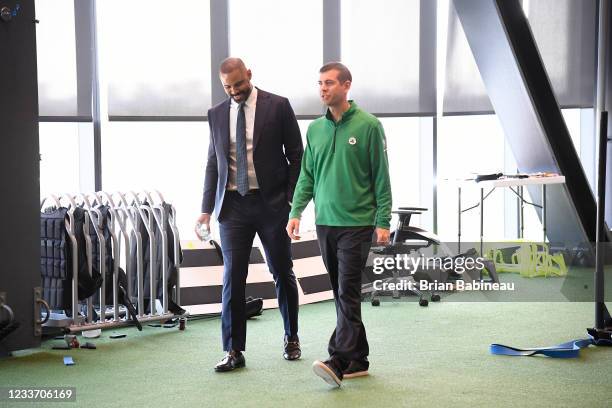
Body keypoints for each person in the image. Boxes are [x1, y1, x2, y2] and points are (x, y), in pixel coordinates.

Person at [286, 62, 392, 387]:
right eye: (320, 83)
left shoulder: (369, 126)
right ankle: (358, 359)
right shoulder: (315, 130)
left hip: (357, 223)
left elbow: (381, 177)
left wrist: (383, 220)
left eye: (329, 82)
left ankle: (338, 358)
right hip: (325, 223)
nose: (323, 89)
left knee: (346, 291)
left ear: (346, 85)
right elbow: (307, 174)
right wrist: (296, 211)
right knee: (341, 293)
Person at [198, 58, 303, 372]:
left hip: (272, 205)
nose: (234, 92)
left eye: (238, 84)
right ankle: (233, 350)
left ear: (249, 76)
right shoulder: (216, 114)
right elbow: (213, 163)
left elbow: (296, 155)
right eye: (228, 87)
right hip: (232, 206)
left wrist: (290, 201)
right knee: (233, 277)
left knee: (282, 271)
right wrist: (205, 209)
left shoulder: (278, 106)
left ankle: (291, 336)